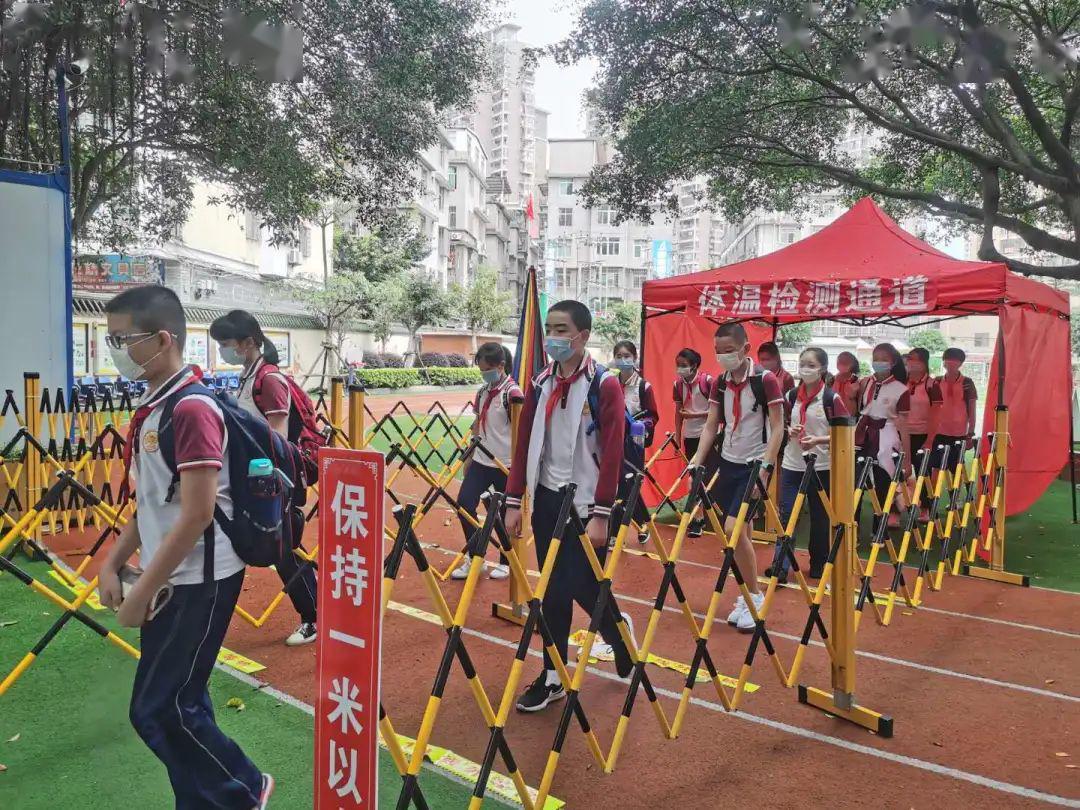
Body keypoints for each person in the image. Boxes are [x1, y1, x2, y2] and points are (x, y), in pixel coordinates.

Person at [97, 286, 272, 809]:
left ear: (163, 340)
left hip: (201, 578)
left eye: (122, 339)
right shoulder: (157, 406)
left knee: (159, 709)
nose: (115, 349)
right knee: (181, 701)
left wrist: (140, 590)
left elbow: (196, 513)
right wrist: (113, 562)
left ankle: (244, 789)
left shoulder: (191, 408)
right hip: (171, 575)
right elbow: (152, 504)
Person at [505, 300, 635, 713]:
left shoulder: (604, 385)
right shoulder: (540, 383)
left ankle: (616, 630)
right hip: (546, 497)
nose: (555, 338)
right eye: (550, 329)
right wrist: (514, 500)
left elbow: (612, 452)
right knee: (551, 589)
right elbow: (522, 445)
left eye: (562, 330)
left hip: (583, 503)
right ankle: (553, 674)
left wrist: (602, 513)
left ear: (583, 336)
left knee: (581, 583)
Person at [210, 310, 318, 647]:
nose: (223, 350)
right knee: (276, 547)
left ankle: (315, 616)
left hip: (272, 480)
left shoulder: (269, 380)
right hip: (253, 478)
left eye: (226, 344)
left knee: (283, 550)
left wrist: (257, 480)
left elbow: (277, 439)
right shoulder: (247, 376)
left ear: (247, 343)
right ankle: (317, 610)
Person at [690, 322, 785, 632]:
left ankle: (755, 596)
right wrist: (697, 459)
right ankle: (749, 594)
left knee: (734, 530)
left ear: (746, 349)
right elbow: (710, 424)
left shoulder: (765, 380)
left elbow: (778, 426)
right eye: (718, 352)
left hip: (753, 465)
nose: (723, 357)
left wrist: (767, 464)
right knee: (733, 533)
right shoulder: (719, 382)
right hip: (727, 463)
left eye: (729, 351)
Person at [767, 347, 849, 582]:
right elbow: (781, 423)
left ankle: (818, 563)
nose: (805, 369)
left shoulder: (831, 398)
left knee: (820, 518)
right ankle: (780, 567)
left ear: (822, 369)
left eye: (811, 365)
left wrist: (818, 439)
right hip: (793, 465)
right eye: (802, 364)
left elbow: (843, 435)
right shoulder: (792, 395)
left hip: (821, 466)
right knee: (787, 515)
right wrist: (788, 429)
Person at [450, 342, 522, 580]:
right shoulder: (482, 392)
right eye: (481, 370)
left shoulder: (513, 394)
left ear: (501, 366)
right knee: (464, 504)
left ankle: (506, 560)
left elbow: (521, 433)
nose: (484, 374)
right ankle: (475, 555)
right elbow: (477, 425)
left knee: (503, 514)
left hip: (505, 464)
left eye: (487, 369)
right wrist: (469, 455)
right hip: (482, 460)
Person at [856, 343, 910, 529]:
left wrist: (907, 459)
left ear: (893, 362)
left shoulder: (901, 389)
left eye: (883, 359)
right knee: (856, 482)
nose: (878, 363)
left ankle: (878, 530)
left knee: (882, 484)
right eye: (875, 359)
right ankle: (850, 528)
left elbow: (903, 426)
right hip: (862, 434)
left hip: (887, 436)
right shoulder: (865, 382)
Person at [612, 340, 660, 544]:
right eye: (619, 356)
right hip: (612, 440)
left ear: (635, 358)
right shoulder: (610, 382)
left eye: (627, 356)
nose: (623, 360)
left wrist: (640, 424)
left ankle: (637, 525)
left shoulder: (643, 386)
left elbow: (653, 416)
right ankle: (616, 533)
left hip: (633, 443)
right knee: (614, 485)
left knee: (630, 485)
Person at [673, 348, 716, 537]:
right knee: (696, 477)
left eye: (684, 366)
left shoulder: (708, 382)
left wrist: (696, 415)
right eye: (678, 365)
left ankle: (698, 519)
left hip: (708, 435)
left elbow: (717, 412)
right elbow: (678, 411)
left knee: (698, 478)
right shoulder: (678, 385)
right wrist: (677, 435)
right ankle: (700, 516)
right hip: (690, 436)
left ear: (695, 366)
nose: (680, 369)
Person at [899, 348, 943, 519]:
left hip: (923, 435)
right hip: (901, 433)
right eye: (909, 359)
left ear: (924, 363)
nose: (911, 363)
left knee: (923, 472)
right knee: (898, 471)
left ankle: (926, 507)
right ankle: (895, 509)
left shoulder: (932, 385)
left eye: (915, 360)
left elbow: (936, 415)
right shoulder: (902, 382)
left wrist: (930, 439)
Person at [934, 347, 979, 459]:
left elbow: (972, 410)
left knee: (957, 467)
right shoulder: (937, 381)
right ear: (943, 362)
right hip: (938, 431)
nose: (950, 362)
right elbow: (931, 407)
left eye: (955, 360)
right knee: (936, 465)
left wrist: (970, 434)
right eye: (947, 359)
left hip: (959, 433)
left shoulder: (967, 383)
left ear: (961, 363)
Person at [832, 351, 862, 417]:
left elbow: (860, 405)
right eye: (839, 361)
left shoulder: (857, 382)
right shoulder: (831, 381)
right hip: (832, 419)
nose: (841, 364)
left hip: (850, 420)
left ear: (852, 364)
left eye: (845, 362)